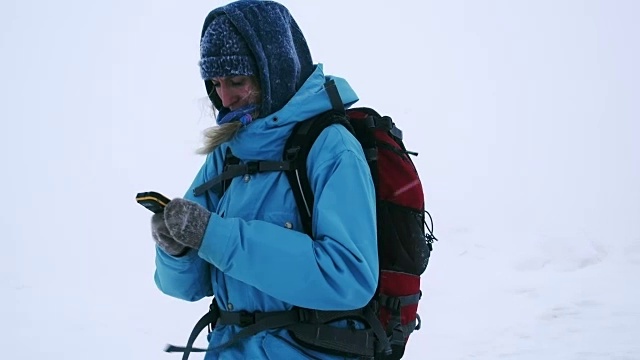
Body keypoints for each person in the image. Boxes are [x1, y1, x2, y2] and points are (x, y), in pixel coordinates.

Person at [151, 0, 378, 358]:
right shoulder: (229, 152)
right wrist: (176, 250)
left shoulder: (331, 148)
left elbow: (349, 277)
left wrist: (215, 236)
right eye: (216, 83)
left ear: (274, 69)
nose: (225, 97)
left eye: (237, 81)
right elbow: (186, 287)